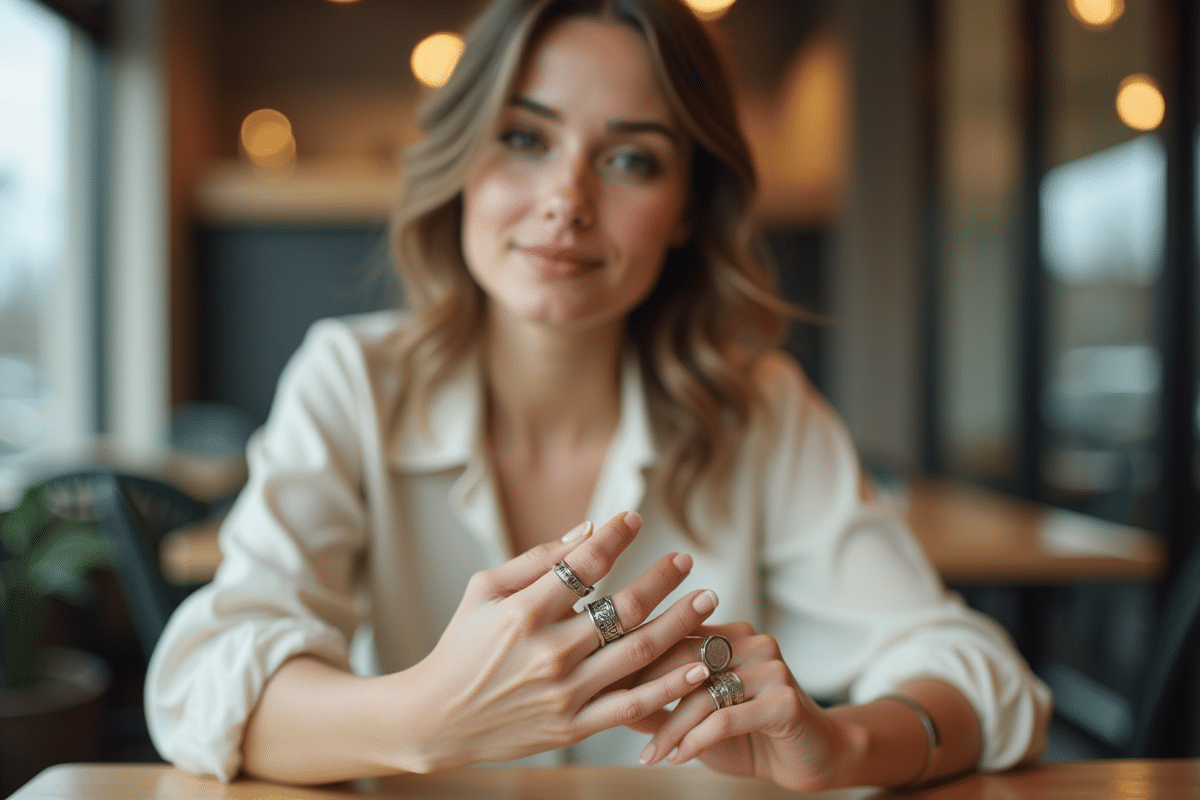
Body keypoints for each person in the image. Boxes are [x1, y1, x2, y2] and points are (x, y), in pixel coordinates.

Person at [145, 0, 1052, 790]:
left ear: (687, 206)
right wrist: (426, 718)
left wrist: (841, 745)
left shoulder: (761, 410)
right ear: (462, 161)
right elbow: (196, 685)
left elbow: (981, 675)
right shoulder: (352, 381)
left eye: (630, 159)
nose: (566, 199)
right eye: (524, 138)